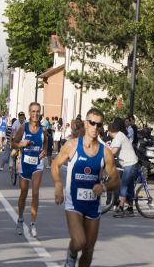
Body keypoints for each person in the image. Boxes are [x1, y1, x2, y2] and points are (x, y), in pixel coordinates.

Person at [51, 108, 120, 267]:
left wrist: (103, 186)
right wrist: (58, 184)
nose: (95, 127)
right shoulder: (72, 145)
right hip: (73, 203)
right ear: (85, 123)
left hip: (93, 206)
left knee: (88, 250)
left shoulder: (105, 152)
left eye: (99, 124)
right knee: (79, 241)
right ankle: (71, 253)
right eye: (92, 123)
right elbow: (55, 165)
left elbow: (116, 181)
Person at [11, 103, 47, 238]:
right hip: (25, 163)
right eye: (33, 111)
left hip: (37, 164)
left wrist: (44, 150)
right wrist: (21, 144)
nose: (36, 114)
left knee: (36, 193)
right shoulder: (23, 127)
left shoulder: (43, 130)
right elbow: (13, 143)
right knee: (23, 194)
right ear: (29, 112)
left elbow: (46, 141)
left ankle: (32, 223)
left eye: (38, 111)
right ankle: (20, 220)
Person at [108, 118, 138, 216]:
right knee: (129, 187)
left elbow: (113, 151)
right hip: (130, 163)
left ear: (111, 131)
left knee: (123, 186)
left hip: (130, 164)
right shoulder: (118, 136)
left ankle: (121, 207)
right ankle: (130, 209)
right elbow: (111, 149)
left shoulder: (119, 136)